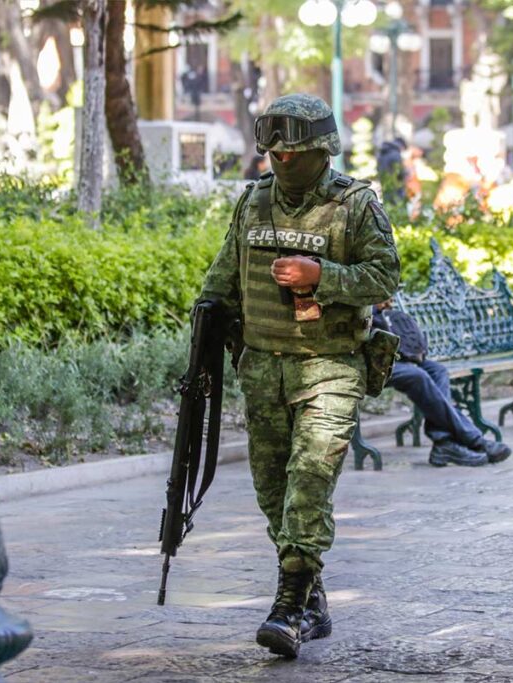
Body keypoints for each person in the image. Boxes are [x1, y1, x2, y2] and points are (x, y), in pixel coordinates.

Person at [196, 93, 400, 658]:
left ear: (322, 150)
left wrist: (323, 274)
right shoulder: (253, 203)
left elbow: (385, 277)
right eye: (274, 155)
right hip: (262, 369)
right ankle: (311, 594)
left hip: (330, 367)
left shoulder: (354, 204)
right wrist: (204, 334)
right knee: (274, 494)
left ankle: (287, 605)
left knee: (309, 482)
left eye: (293, 154)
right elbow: (223, 277)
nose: (281, 163)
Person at [372, 300, 512, 467]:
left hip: (394, 360)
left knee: (437, 370)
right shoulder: (355, 296)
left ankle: (444, 442)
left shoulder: (381, 304)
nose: (389, 301)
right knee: (417, 375)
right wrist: (374, 307)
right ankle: (475, 440)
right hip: (367, 364)